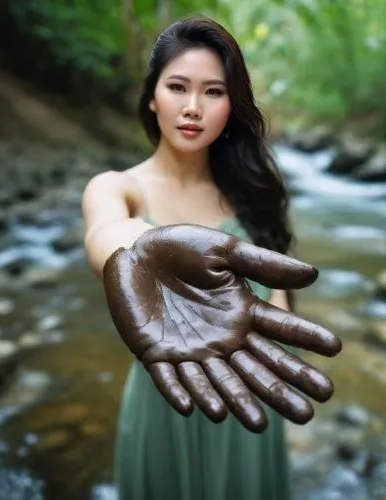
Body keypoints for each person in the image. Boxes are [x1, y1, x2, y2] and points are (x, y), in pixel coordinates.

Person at [82, 15, 341, 500]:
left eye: (214, 92)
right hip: (167, 399)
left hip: (246, 399)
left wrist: (279, 354)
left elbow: (277, 306)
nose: (193, 107)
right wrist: (141, 252)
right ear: (152, 96)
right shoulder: (117, 188)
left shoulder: (251, 196)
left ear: (231, 107)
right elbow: (106, 232)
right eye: (178, 87)